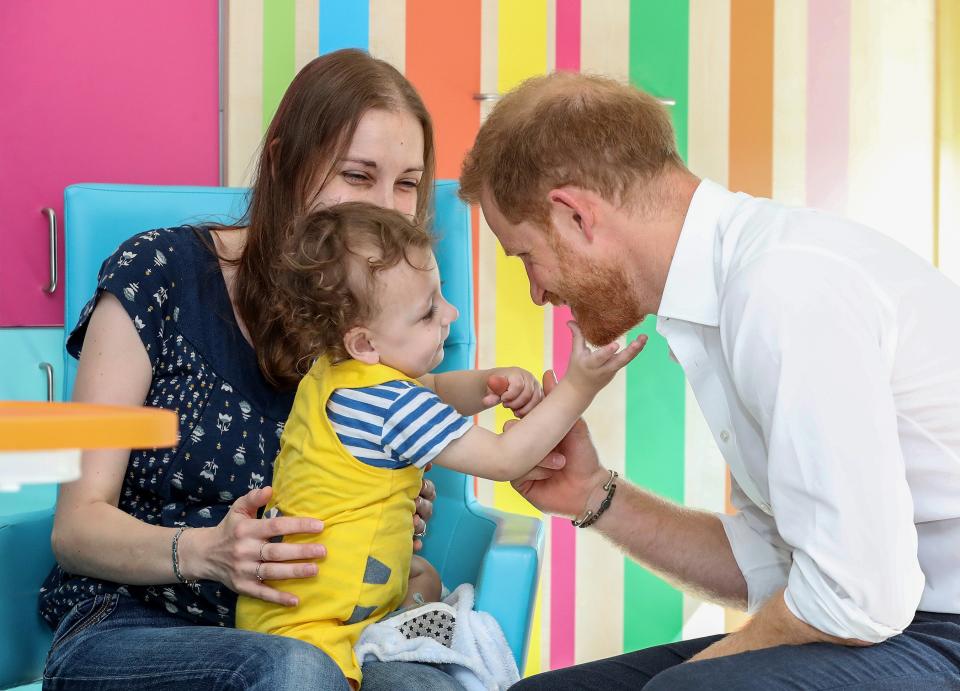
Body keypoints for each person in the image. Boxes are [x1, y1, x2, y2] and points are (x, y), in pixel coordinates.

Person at [458, 71, 960, 689]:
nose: (537, 292)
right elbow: (776, 563)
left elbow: (855, 596)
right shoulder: (721, 299)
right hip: (900, 616)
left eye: (526, 256)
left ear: (575, 215)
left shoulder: (782, 287)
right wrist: (593, 494)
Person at [40, 49, 465, 691]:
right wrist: (207, 552)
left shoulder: (389, 321)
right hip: (131, 624)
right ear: (283, 167)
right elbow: (77, 527)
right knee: (293, 672)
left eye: (407, 184)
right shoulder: (159, 273)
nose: (386, 206)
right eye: (358, 175)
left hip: (326, 630)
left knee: (429, 684)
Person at [235, 202, 643, 689]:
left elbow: (431, 389)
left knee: (424, 576)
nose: (449, 314)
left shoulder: (336, 376)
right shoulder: (389, 405)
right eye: (428, 311)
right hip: (319, 630)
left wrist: (487, 385)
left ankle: (400, 624)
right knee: (424, 589)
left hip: (287, 606)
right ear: (364, 342)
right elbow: (504, 458)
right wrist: (578, 388)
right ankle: (391, 640)